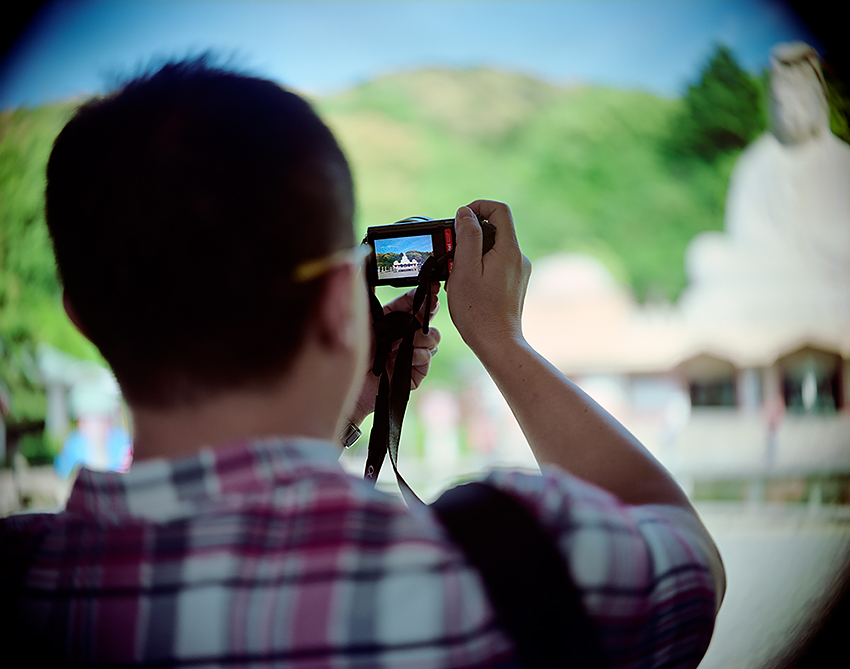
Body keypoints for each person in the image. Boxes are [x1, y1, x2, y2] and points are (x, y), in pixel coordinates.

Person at [0, 57, 725, 667]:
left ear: (85, 321)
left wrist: (343, 409)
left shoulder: (24, 578)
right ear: (342, 304)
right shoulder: (499, 564)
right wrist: (501, 340)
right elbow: (689, 556)